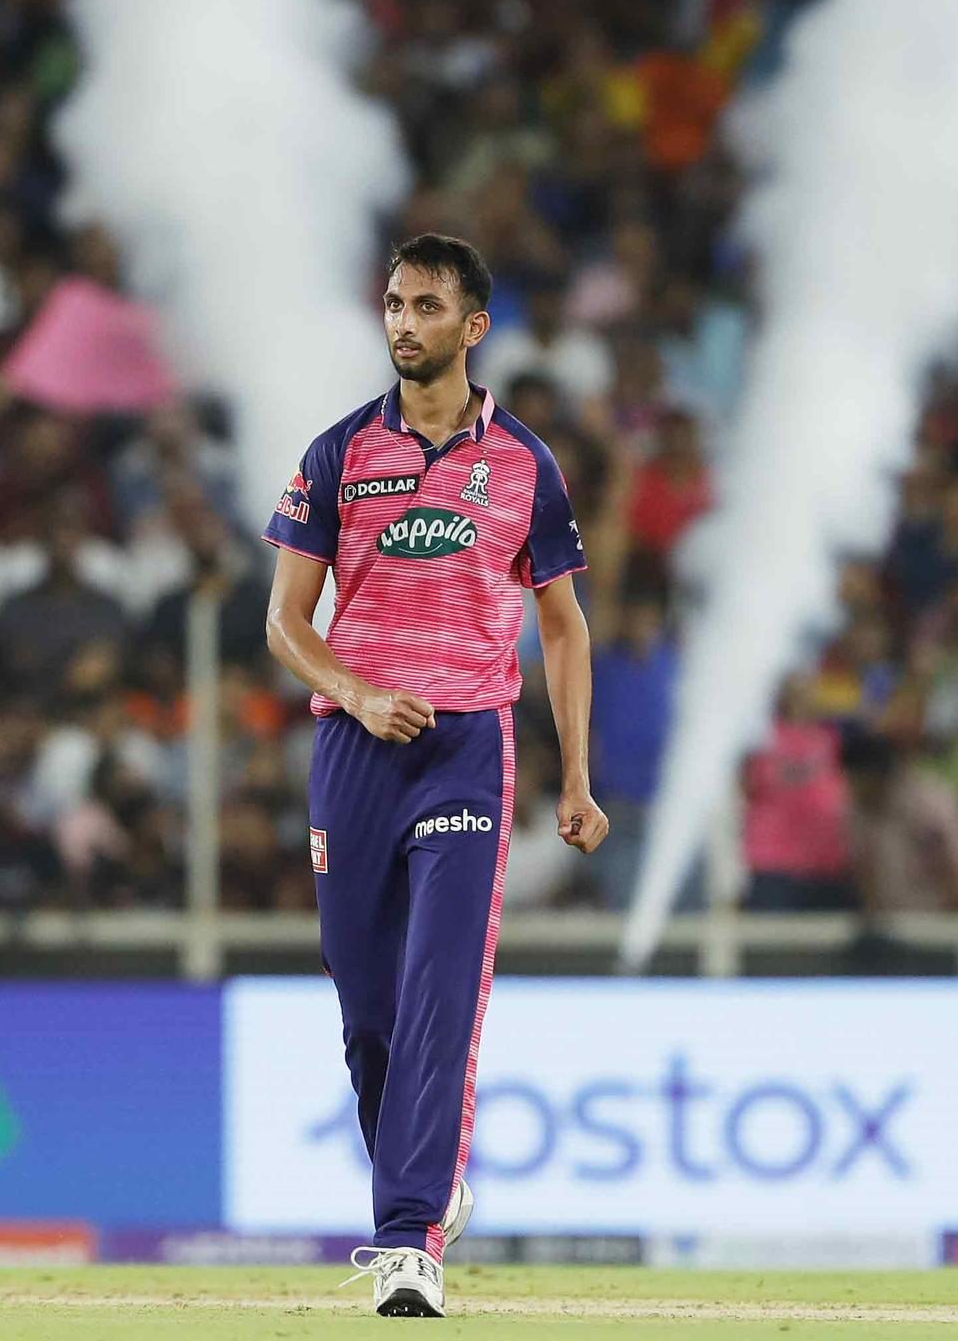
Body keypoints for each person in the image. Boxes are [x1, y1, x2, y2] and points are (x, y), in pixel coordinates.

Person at [262, 234, 608, 1318]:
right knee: (368, 1008)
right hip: (355, 751)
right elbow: (284, 621)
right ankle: (429, 1184)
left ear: (474, 326)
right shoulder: (337, 453)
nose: (403, 323)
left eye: (425, 306)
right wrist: (359, 692)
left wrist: (577, 777)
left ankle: (409, 1240)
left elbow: (564, 626)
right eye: (394, 304)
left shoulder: (526, 465)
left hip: (466, 750)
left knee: (439, 996)